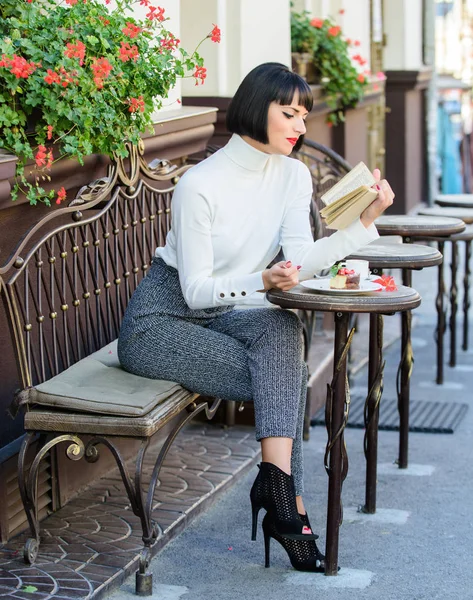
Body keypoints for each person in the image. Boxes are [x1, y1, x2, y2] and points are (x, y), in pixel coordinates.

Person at [117, 62, 394, 572]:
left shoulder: (291, 175)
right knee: (281, 379)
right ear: (253, 109)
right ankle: (291, 511)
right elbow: (196, 291)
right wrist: (263, 283)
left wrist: (361, 225)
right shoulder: (200, 184)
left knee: (282, 330)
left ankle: (278, 491)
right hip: (161, 323)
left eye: (304, 116)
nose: (300, 126)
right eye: (288, 113)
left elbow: (300, 257)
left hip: (234, 309)